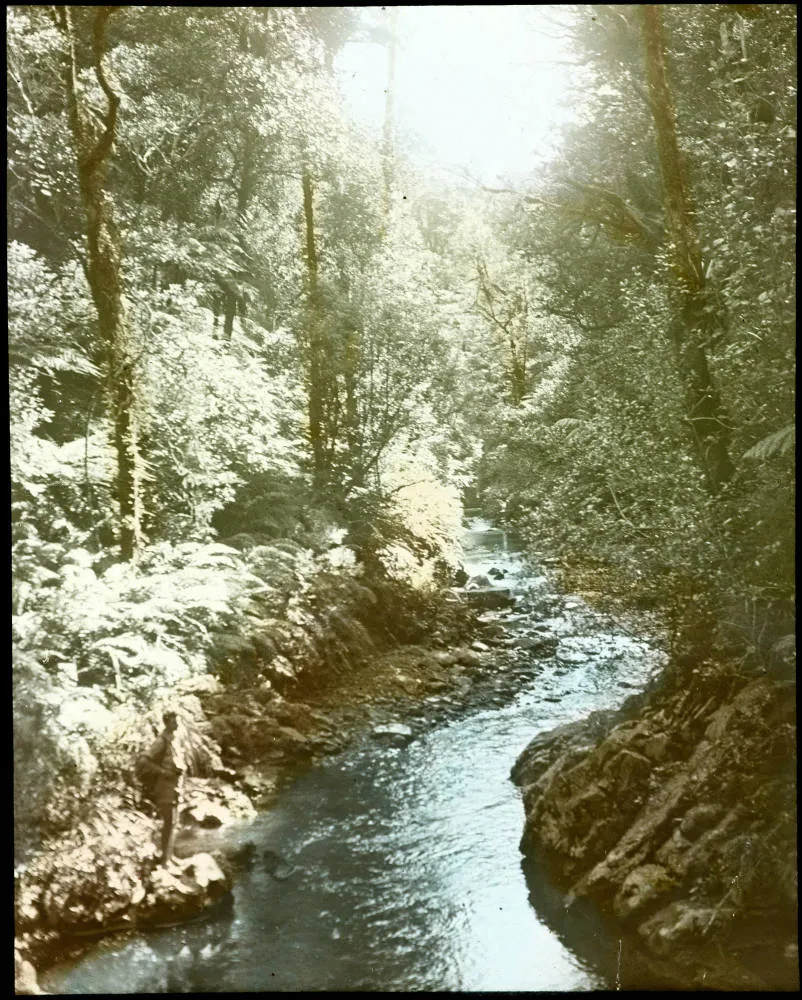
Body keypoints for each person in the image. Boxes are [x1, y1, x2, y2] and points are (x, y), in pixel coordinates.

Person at [137, 710, 187, 865]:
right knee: (168, 822)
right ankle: (165, 860)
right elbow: (144, 760)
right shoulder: (161, 741)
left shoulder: (175, 739)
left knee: (173, 822)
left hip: (175, 786)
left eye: (177, 721)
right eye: (174, 721)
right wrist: (163, 772)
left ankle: (169, 857)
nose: (177, 724)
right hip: (164, 786)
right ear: (167, 723)